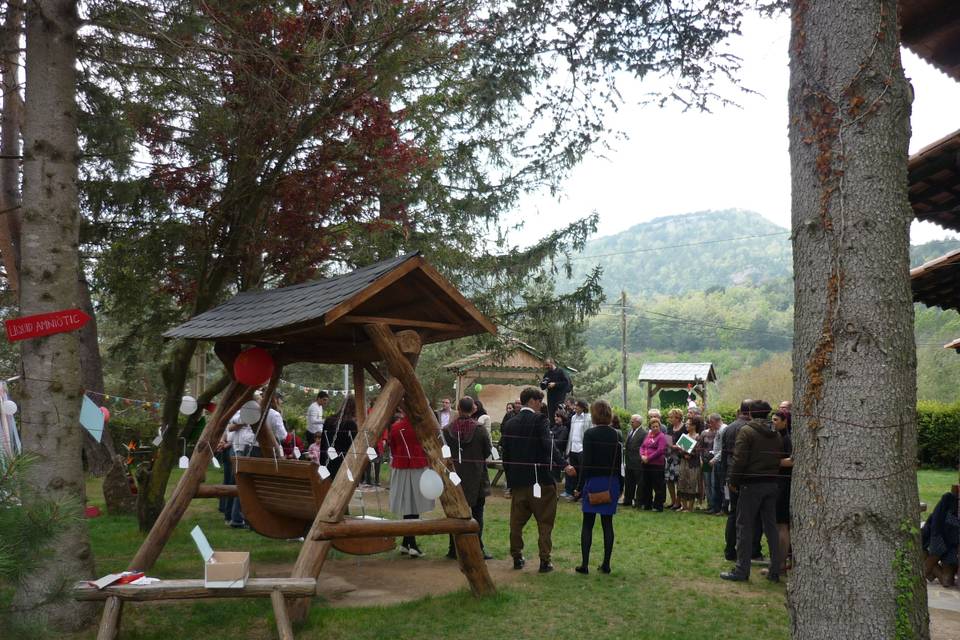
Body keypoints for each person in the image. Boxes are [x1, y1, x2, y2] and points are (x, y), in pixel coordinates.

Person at [501, 386, 567, 573]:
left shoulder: (510, 423)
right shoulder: (540, 419)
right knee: (545, 523)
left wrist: (510, 478)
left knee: (516, 523)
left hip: (518, 482)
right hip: (541, 481)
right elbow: (548, 446)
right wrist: (564, 464)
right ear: (532, 401)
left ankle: (517, 557)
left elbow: (506, 455)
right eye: (539, 401)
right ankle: (545, 561)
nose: (541, 404)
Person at [721, 400, 784, 583]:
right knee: (771, 528)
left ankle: (742, 570)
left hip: (751, 484)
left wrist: (733, 481)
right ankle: (775, 570)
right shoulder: (776, 434)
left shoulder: (747, 431)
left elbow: (739, 459)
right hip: (772, 484)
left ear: (749, 413)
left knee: (744, 527)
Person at [574, 400, 623, 574]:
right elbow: (620, 463)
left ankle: (585, 565)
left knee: (588, 524)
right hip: (611, 482)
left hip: (593, 482)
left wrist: (579, 487)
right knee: (607, 524)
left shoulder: (590, 434)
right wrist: (621, 486)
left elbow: (585, 463)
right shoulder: (617, 435)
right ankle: (606, 564)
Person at [443, 397, 494, 560]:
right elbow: (487, 451)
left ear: (458, 408)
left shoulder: (446, 430)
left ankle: (453, 548)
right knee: (477, 514)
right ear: (473, 409)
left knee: (454, 514)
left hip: (455, 476)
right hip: (476, 476)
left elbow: (444, 453)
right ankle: (478, 548)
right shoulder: (480, 430)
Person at [387, 409, 434, 557]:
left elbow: (392, 446)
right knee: (414, 505)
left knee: (408, 504)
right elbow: (429, 446)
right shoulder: (421, 427)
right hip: (417, 466)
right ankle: (411, 544)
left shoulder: (395, 427)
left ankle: (406, 543)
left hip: (400, 466)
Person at [722, 400, 761, 561]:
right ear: (751, 412)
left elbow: (724, 454)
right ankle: (752, 550)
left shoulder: (729, 427)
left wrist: (726, 475)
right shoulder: (751, 429)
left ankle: (730, 550)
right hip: (744, 476)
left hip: (730, 474)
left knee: (733, 513)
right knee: (751, 515)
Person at [922, 486, 959, 587]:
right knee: (927, 566)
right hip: (938, 540)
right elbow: (935, 523)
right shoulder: (948, 499)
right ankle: (917, 580)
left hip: (952, 547)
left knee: (947, 581)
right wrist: (937, 542)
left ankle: (931, 572)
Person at [770, 410, 793, 575]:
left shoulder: (788, 438)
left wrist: (769, 461)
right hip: (779, 483)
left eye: (776, 420)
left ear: (785, 421)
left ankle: (779, 566)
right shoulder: (780, 437)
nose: (774, 422)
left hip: (784, 485)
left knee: (782, 526)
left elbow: (792, 460)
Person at [562, 400, 591, 499]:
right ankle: (571, 492)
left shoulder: (589, 418)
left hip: (582, 448)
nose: (575, 407)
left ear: (583, 407)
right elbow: (571, 433)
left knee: (582, 472)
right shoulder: (573, 417)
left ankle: (582, 493)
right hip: (573, 447)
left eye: (577, 406)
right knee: (573, 471)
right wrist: (568, 448)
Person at [638, 417, 667, 511]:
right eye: (653, 426)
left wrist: (648, 458)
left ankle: (658, 506)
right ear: (650, 427)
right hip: (646, 464)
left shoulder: (662, 436)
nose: (655, 428)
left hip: (657, 465)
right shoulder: (648, 435)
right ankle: (647, 504)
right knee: (646, 484)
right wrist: (642, 456)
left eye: (657, 426)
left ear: (660, 427)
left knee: (658, 485)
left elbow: (660, 450)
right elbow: (642, 446)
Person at [325, 396, 357, 478]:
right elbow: (353, 445)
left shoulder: (329, 420)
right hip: (343, 462)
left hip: (328, 460)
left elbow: (324, 443)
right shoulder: (351, 424)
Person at [676, 415, 703, 512]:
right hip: (683, 463)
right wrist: (683, 454)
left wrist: (689, 454)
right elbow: (679, 449)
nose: (686, 425)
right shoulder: (684, 436)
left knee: (691, 484)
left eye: (689, 424)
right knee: (681, 482)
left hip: (693, 464)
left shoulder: (698, 437)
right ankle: (684, 506)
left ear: (694, 426)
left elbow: (697, 451)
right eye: (686, 424)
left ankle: (690, 507)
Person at [622, 415, 646, 508]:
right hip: (629, 461)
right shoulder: (630, 431)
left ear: (638, 422)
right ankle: (628, 499)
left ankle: (639, 501)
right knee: (628, 481)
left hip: (637, 461)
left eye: (632, 421)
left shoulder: (643, 433)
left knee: (639, 482)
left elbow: (644, 447)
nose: (631, 423)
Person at [539, 357, 572, 423]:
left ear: (552, 363)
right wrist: (542, 383)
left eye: (547, 364)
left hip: (560, 398)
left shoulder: (561, 372)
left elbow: (567, 383)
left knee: (560, 415)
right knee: (551, 416)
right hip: (551, 399)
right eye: (545, 365)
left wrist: (555, 384)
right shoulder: (547, 374)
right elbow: (543, 387)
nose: (546, 366)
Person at [707, 413, 728, 515]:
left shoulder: (724, 429)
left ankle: (724, 508)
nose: (710, 425)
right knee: (716, 485)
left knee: (722, 486)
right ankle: (716, 508)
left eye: (711, 422)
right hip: (717, 461)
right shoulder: (719, 430)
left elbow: (724, 448)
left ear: (714, 421)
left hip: (721, 462)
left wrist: (714, 459)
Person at [664, 408, 684, 510]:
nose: (670, 419)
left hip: (680, 457)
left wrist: (677, 446)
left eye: (671, 417)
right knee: (669, 479)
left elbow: (687, 442)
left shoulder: (684, 427)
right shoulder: (670, 427)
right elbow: (667, 438)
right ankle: (673, 501)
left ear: (678, 417)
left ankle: (678, 502)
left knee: (679, 480)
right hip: (670, 456)